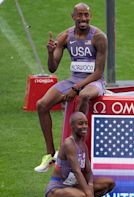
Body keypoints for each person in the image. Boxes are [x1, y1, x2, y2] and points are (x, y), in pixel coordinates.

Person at [35, 2, 107, 173]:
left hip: (94, 82)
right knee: (41, 104)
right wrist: (51, 53)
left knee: (83, 96)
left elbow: (98, 73)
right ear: (73, 16)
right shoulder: (65, 37)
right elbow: (52, 68)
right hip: (74, 79)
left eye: (86, 15)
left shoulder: (98, 37)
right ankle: (50, 154)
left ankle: (72, 145)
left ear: (90, 16)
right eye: (80, 15)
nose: (83, 19)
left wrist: (77, 88)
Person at [45, 112, 115, 197]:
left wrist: (90, 187)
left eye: (86, 123)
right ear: (72, 126)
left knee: (109, 184)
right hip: (56, 190)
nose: (84, 126)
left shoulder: (82, 145)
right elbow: (77, 171)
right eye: (80, 123)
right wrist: (89, 194)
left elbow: (87, 171)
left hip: (72, 187)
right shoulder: (69, 143)